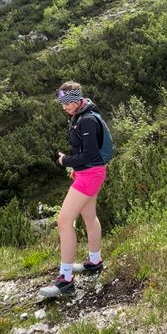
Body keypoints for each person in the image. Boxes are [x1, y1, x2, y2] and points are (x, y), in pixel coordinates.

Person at [39, 81, 109, 298]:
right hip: (90, 172)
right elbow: (86, 153)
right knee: (89, 215)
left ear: (78, 100)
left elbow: (88, 154)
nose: (64, 107)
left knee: (63, 221)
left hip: (90, 175)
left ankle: (66, 279)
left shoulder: (87, 120)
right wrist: (76, 168)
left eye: (67, 103)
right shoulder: (81, 114)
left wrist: (66, 161)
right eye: (62, 103)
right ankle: (94, 262)